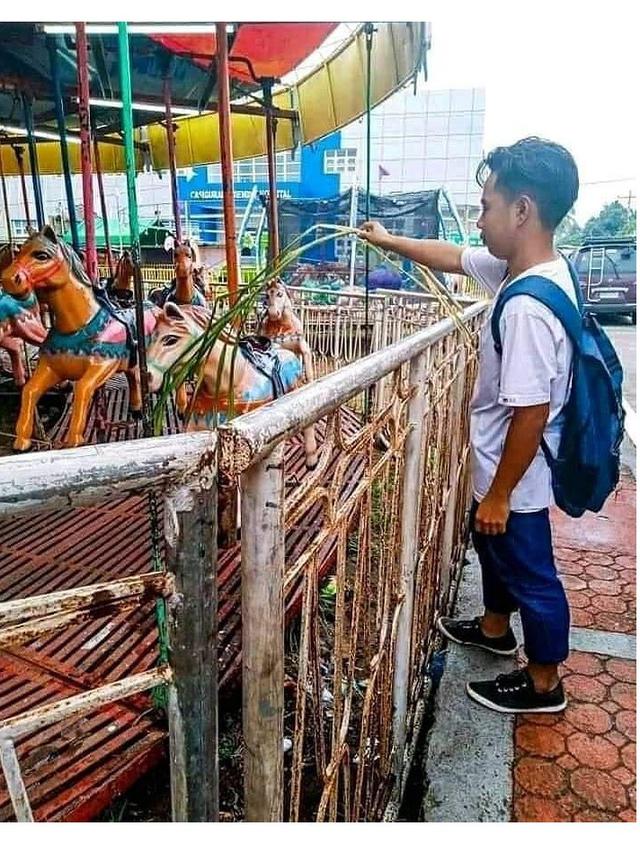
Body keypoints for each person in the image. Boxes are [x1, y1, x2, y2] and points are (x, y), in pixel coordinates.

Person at [359, 137, 580, 714]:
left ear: (522, 210)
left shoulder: (529, 305)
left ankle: (543, 682)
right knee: (495, 550)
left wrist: (502, 494)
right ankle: (493, 626)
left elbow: (531, 413)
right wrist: (389, 241)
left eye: (485, 207)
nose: (478, 220)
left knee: (532, 572)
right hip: (501, 468)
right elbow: (452, 256)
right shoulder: (528, 271)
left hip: (519, 479)